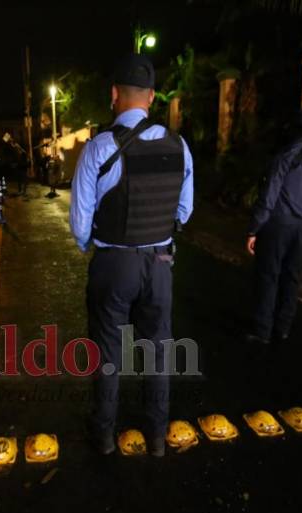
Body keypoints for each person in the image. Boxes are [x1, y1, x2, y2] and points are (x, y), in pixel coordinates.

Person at [70, 54, 194, 457]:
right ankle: (157, 436)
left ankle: (104, 435)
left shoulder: (98, 148)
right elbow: (184, 212)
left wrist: (98, 246)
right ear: (153, 96)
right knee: (159, 350)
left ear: (113, 95)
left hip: (113, 264)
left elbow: (79, 224)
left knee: (108, 352)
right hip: (160, 264)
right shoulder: (179, 146)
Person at [245, 110, 302, 344]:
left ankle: (262, 329)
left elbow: (269, 196)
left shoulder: (283, 157)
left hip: (277, 223)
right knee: (292, 277)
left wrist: (254, 229)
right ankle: (283, 327)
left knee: (269, 276)